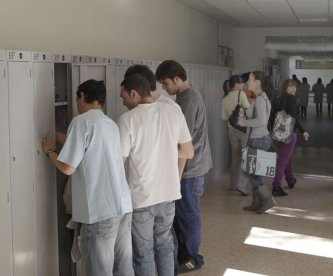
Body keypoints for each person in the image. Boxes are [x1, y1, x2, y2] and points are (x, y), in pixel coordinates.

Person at [42, 79, 134, 276]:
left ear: (82, 96)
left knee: (98, 271)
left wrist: (50, 151)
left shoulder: (80, 121)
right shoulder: (109, 123)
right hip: (123, 207)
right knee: (123, 268)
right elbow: (87, 146)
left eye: (77, 99)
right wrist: (56, 136)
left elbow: (68, 167)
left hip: (100, 213)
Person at [118, 74, 194, 276]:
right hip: (168, 195)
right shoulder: (173, 111)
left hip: (142, 198)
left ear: (134, 93)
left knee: (144, 252)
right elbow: (188, 152)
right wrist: (165, 149)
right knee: (165, 246)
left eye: (124, 96)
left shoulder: (127, 120)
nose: (123, 102)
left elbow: (120, 160)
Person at [156, 60, 213, 274]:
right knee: (184, 216)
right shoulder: (185, 95)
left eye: (166, 83)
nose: (164, 88)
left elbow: (182, 139)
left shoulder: (187, 101)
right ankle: (184, 254)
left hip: (190, 169)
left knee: (189, 216)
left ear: (177, 79)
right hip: (192, 166)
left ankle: (193, 258)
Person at [238, 71, 275, 214]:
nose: (248, 82)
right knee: (254, 171)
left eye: (250, 80)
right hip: (257, 139)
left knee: (250, 171)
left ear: (258, 82)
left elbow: (261, 121)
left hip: (258, 139)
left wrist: (244, 122)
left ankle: (267, 199)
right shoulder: (259, 98)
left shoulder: (261, 99)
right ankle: (256, 202)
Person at [271, 79, 310, 197]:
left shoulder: (278, 99)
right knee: (283, 160)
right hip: (289, 134)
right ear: (285, 88)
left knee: (287, 157)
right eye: (290, 86)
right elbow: (295, 119)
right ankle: (276, 186)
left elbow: (272, 116)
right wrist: (303, 131)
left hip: (277, 134)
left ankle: (290, 179)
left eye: (294, 86)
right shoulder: (291, 100)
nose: (293, 89)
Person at [221, 75, 250, 195]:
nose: (243, 85)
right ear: (237, 84)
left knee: (235, 158)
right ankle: (242, 186)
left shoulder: (225, 98)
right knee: (245, 158)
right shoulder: (241, 94)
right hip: (243, 130)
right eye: (241, 83)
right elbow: (248, 109)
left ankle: (233, 184)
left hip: (232, 131)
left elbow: (223, 117)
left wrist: (232, 114)